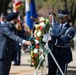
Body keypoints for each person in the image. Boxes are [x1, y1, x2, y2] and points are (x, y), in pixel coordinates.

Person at [47, 10, 75, 75]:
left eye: (62, 17)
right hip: (53, 53)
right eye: (59, 17)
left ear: (67, 17)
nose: (60, 19)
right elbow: (52, 34)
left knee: (61, 73)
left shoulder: (71, 29)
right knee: (51, 73)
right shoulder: (55, 26)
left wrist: (52, 39)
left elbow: (64, 40)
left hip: (63, 54)